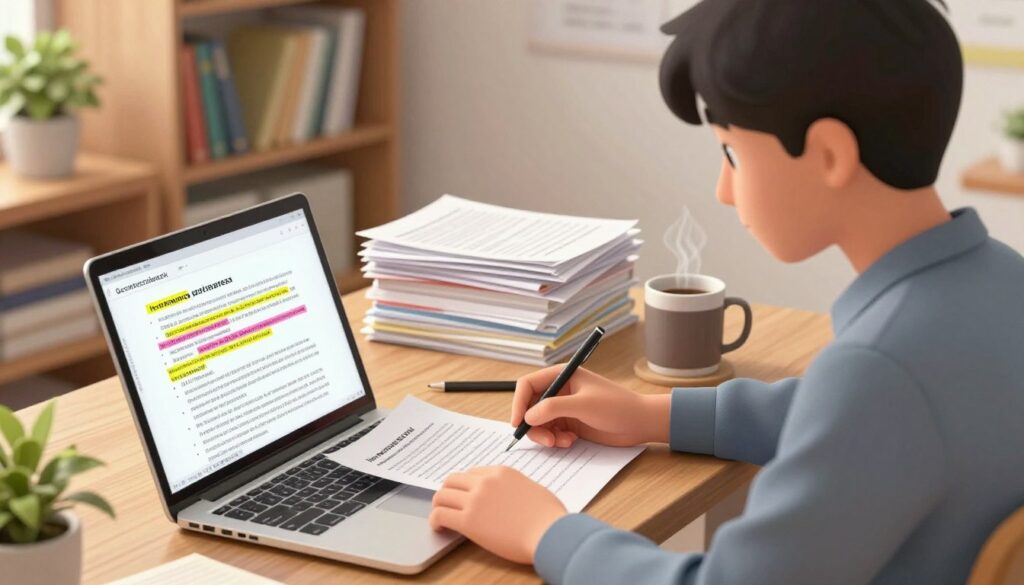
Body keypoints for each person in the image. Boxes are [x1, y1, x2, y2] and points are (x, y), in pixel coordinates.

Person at [428, 1, 1024, 583]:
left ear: (828, 154)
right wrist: (648, 414)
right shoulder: (1000, 283)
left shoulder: (880, 369)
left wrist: (545, 533)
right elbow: (851, 423)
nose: (723, 189)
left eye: (732, 153)